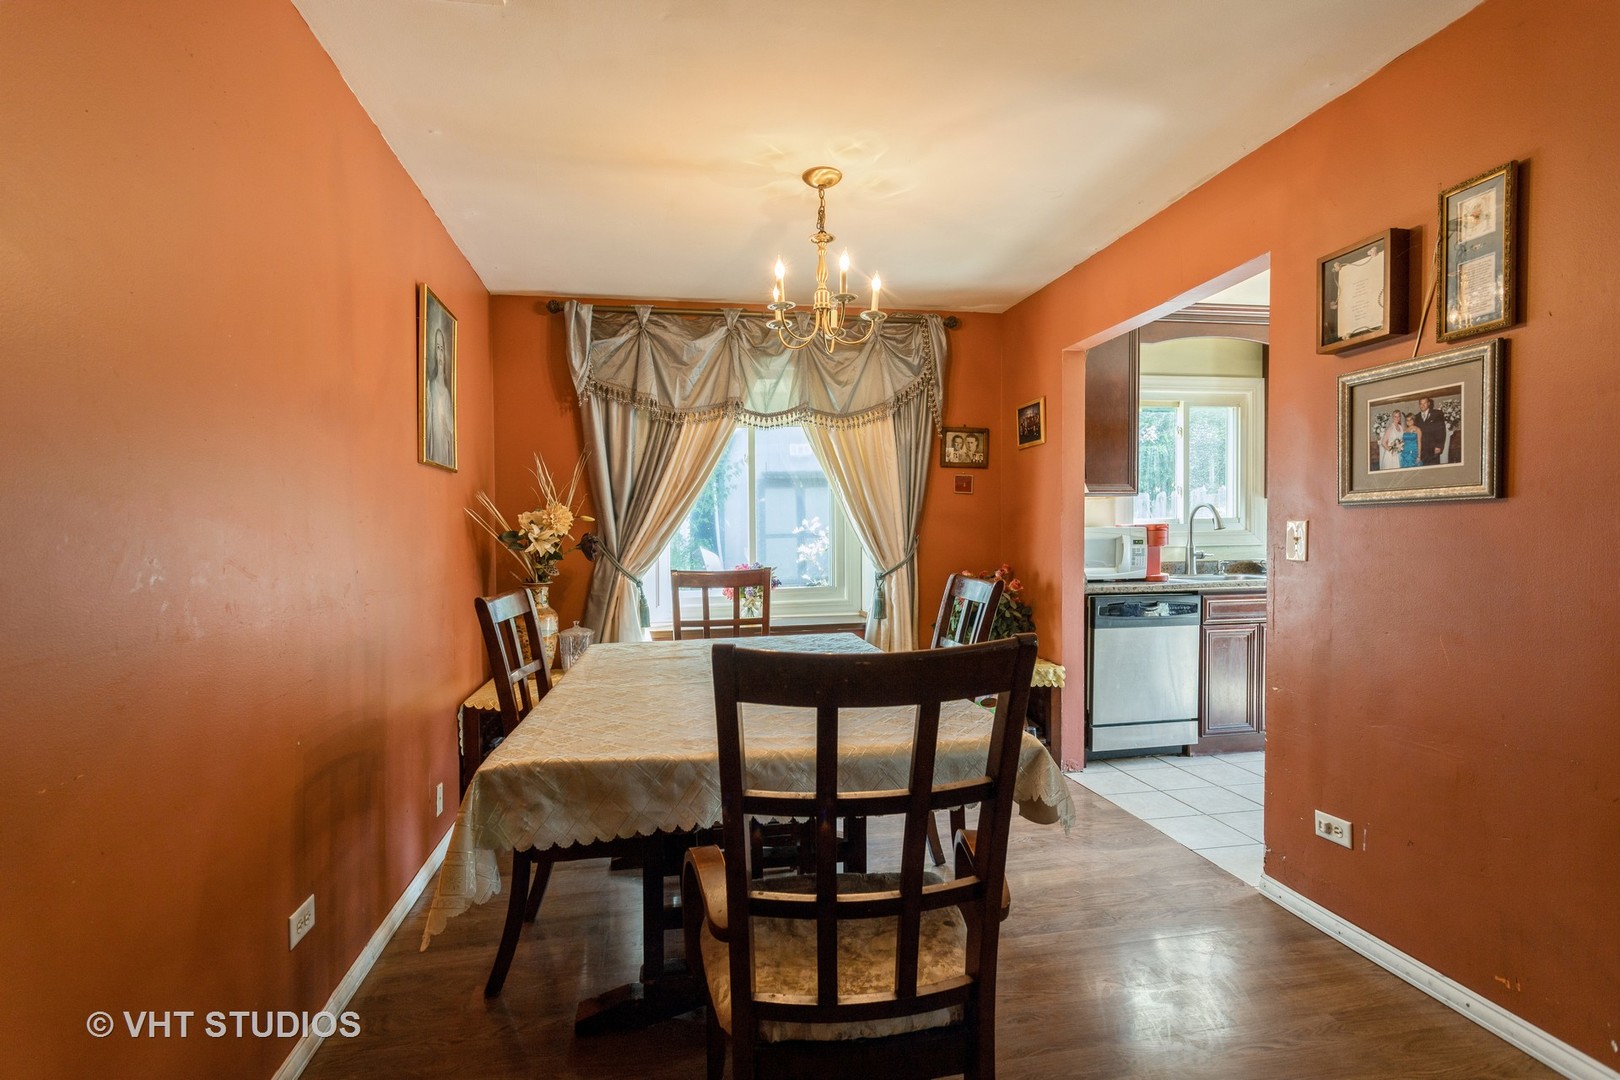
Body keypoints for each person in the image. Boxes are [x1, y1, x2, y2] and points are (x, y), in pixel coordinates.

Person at [425, 326, 454, 465]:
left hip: (444, 450)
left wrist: (446, 428)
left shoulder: (448, 394)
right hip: (435, 448)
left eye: (442, 348)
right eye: (437, 348)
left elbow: (450, 433)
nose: (440, 353)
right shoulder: (431, 387)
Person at [1414, 396, 1446, 467]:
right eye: (1421, 404)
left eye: (1424, 403)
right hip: (1421, 450)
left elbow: (1441, 431)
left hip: (1433, 449)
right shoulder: (1416, 417)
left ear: (1428, 403)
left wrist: (1439, 446)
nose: (1422, 405)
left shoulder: (1437, 414)